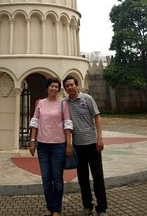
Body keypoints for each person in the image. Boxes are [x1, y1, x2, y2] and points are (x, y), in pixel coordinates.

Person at [63, 75, 107, 216]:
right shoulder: (65, 103)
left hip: (92, 144)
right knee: (83, 179)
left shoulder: (87, 99)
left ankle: (102, 208)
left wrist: (99, 138)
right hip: (77, 146)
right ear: (65, 88)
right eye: (67, 86)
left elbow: (97, 117)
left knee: (98, 177)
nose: (70, 87)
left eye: (72, 85)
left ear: (77, 85)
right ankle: (87, 206)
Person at [29, 77, 73, 216]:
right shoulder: (40, 103)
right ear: (47, 88)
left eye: (56, 86)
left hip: (58, 146)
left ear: (58, 89)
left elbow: (67, 124)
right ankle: (50, 207)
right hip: (42, 146)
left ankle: (57, 209)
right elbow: (35, 122)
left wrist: (69, 144)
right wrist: (32, 141)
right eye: (51, 86)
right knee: (46, 179)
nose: (54, 88)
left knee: (57, 179)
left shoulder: (63, 104)